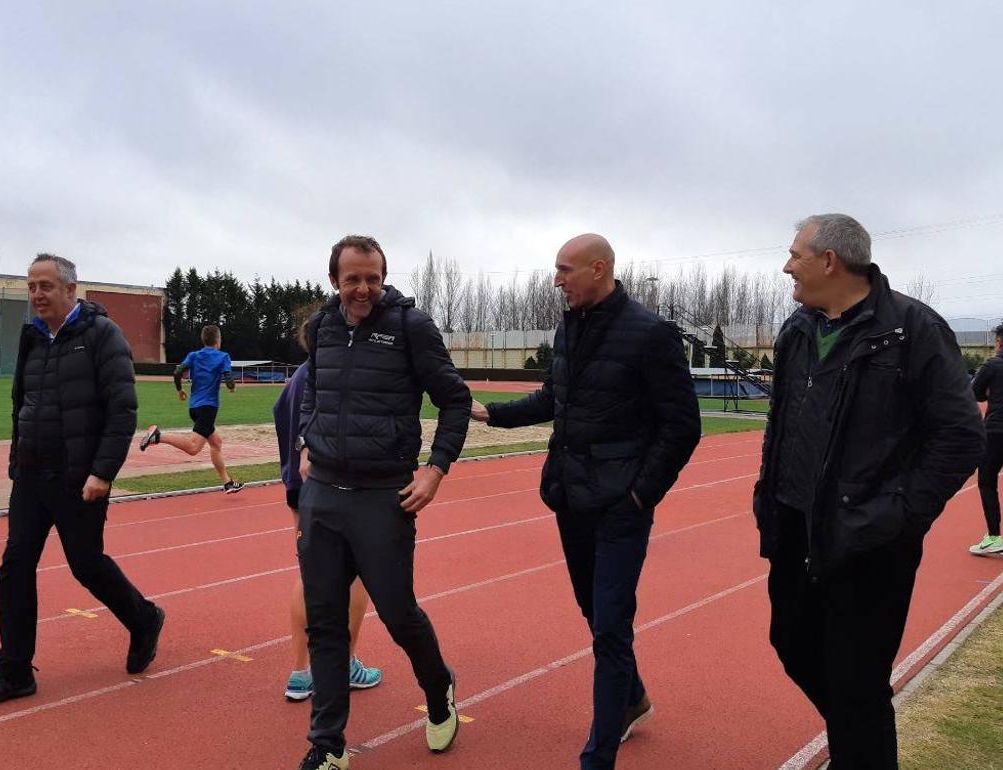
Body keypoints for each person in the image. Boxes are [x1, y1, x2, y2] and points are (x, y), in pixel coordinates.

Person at [754, 214, 983, 767]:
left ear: (829, 260)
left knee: (858, 683)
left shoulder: (913, 328)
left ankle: (861, 748)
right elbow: (781, 424)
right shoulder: (797, 329)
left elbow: (958, 435)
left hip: (871, 541)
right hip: (795, 531)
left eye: (795, 255)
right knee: (792, 645)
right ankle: (860, 742)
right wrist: (769, 499)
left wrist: (901, 514)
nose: (787, 266)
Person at [471, 233, 701, 770]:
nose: (557, 280)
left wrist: (641, 495)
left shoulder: (650, 335)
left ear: (599, 269)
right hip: (571, 497)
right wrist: (493, 414)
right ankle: (634, 699)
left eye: (564, 270)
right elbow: (555, 399)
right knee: (594, 612)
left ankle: (598, 755)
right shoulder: (568, 328)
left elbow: (682, 427)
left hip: (622, 506)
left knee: (611, 625)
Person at [294, 235, 471, 770]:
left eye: (372, 277)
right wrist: (307, 438)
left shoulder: (410, 327)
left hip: (382, 497)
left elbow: (455, 399)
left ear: (384, 277)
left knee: (398, 615)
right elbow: (313, 391)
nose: (363, 288)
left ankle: (439, 690)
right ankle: (328, 744)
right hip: (322, 495)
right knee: (324, 622)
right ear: (334, 281)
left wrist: (436, 469)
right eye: (353, 279)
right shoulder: (322, 327)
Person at [0, 253, 165, 708]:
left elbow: (122, 410)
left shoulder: (101, 335)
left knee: (86, 564)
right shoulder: (30, 337)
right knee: (15, 565)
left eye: (46, 286)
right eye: (32, 286)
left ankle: (144, 618)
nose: (37, 294)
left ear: (71, 290)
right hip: (31, 474)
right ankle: (14, 670)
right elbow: (24, 401)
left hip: (78, 478)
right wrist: (17, 456)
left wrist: (102, 472)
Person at [274, 315, 381, 702]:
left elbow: (282, 422)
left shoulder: (295, 380)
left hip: (297, 486)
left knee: (309, 575)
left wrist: (291, 475)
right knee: (353, 576)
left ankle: (301, 672)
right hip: (328, 487)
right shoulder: (327, 378)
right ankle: (346, 662)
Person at [140, 325, 244, 494]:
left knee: (216, 443)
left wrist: (180, 390)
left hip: (194, 407)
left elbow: (177, 371)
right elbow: (228, 377)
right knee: (193, 448)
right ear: (218, 340)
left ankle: (227, 482)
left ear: (204, 340)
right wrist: (232, 387)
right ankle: (157, 436)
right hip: (208, 408)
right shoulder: (223, 356)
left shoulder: (194, 355)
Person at [970, 322, 1003, 555]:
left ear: (999, 343)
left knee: (987, 482)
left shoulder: (992, 365)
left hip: (997, 430)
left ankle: (994, 537)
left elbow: (974, 393)